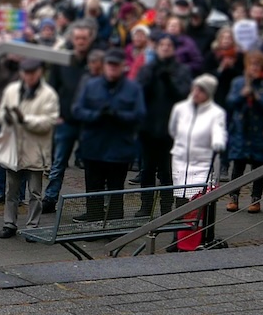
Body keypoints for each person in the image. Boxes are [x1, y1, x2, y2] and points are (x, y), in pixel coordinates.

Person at [70, 50, 147, 222]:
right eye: (109, 65)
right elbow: (77, 110)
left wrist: (118, 115)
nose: (112, 69)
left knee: (116, 190)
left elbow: (140, 115)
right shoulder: (91, 85)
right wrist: (96, 115)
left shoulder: (133, 88)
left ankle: (113, 226)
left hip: (119, 150)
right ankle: (94, 222)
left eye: (116, 65)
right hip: (93, 148)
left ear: (122, 67)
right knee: (93, 189)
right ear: (104, 66)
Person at [0, 58, 59, 237]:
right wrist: (6, 119)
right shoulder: (11, 91)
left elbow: (49, 121)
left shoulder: (47, 94)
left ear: (39, 73)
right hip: (15, 147)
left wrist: (25, 120)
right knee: (12, 190)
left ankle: (32, 226)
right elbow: (0, 112)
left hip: (35, 148)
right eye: (26, 72)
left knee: (35, 192)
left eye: (33, 72)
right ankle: (9, 224)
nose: (29, 76)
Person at [42, 21, 97, 211]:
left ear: (90, 40)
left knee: (91, 165)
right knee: (58, 162)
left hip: (89, 121)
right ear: (72, 40)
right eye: (77, 38)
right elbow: (52, 88)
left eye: (84, 38)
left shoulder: (95, 61)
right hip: (65, 120)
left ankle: (93, 205)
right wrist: (55, 114)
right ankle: (50, 198)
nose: (81, 42)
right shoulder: (62, 60)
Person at [134, 34, 190, 216]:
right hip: (148, 128)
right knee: (147, 169)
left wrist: (169, 81)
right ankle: (146, 206)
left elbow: (183, 95)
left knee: (167, 171)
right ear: (157, 47)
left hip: (171, 130)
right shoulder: (147, 68)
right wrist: (152, 76)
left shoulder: (181, 70)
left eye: (169, 45)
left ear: (174, 48)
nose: (165, 47)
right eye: (162, 44)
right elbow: (139, 91)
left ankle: (166, 208)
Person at [219, 51, 263, 214]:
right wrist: (242, 95)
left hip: (260, 130)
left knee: (258, 166)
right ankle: (234, 197)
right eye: (251, 64)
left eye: (257, 65)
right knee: (238, 165)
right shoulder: (239, 82)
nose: (254, 68)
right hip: (241, 130)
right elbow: (230, 102)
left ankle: (255, 199)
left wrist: (257, 97)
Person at [170, 74, 227, 200]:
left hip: (202, 162)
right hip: (181, 159)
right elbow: (173, 130)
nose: (196, 92)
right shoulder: (180, 108)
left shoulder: (216, 113)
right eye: (195, 88)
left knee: (197, 198)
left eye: (201, 90)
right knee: (179, 194)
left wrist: (218, 141)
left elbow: (219, 130)